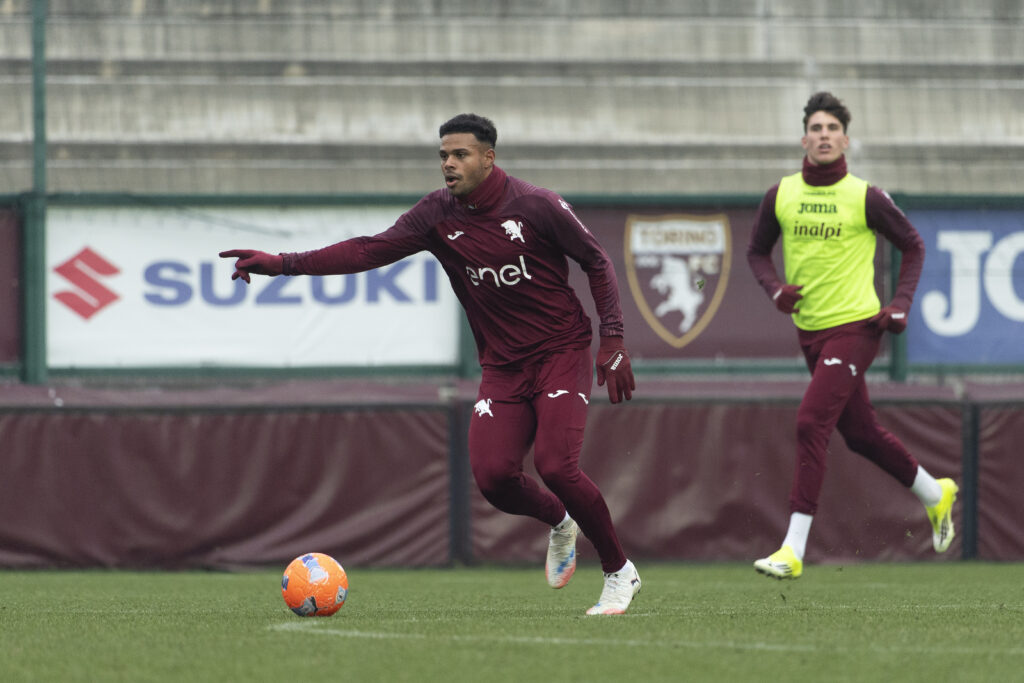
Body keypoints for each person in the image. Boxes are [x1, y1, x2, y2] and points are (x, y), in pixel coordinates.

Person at [220, 113, 641, 614]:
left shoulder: (537, 205)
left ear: (489, 157)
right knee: (493, 478)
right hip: (504, 365)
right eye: (443, 155)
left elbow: (597, 261)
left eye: (460, 154)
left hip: (561, 351)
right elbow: (366, 251)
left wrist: (612, 338)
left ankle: (619, 572)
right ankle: (559, 522)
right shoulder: (436, 215)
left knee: (555, 464)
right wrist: (283, 263)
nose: (448, 164)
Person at [746, 92, 958, 579]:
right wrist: (775, 289)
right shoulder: (781, 194)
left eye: (832, 129)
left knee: (809, 423)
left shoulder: (865, 196)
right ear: (804, 138)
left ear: (846, 140)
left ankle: (792, 549)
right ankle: (935, 492)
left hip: (856, 327)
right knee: (859, 433)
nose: (823, 135)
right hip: (810, 331)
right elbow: (757, 253)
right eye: (816, 128)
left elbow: (914, 246)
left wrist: (900, 303)